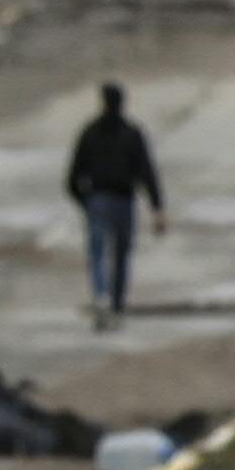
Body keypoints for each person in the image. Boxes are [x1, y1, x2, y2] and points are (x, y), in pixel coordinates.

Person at [63, 83, 166, 327]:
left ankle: (102, 296)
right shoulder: (131, 133)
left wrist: (85, 201)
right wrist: (157, 206)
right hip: (121, 199)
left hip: (98, 198)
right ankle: (116, 303)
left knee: (98, 252)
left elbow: (73, 175)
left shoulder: (90, 132)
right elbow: (146, 171)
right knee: (120, 253)